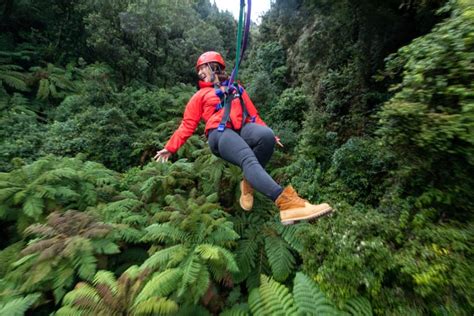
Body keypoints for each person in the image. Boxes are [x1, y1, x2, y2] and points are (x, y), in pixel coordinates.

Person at [154, 51, 332, 225]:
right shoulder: (200, 95)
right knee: (247, 158)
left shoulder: (237, 89)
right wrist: (170, 147)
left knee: (266, 137)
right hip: (219, 133)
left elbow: (253, 115)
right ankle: (287, 204)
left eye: (202, 69)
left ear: (213, 67)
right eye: (199, 71)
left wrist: (270, 133)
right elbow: (187, 124)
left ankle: (248, 182)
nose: (200, 74)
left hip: (241, 128)